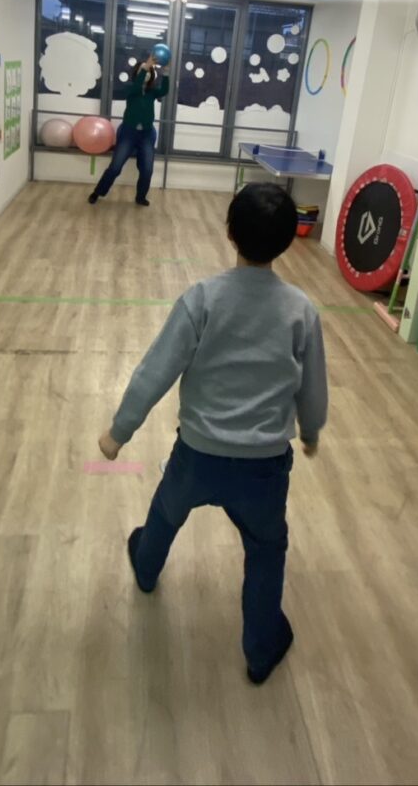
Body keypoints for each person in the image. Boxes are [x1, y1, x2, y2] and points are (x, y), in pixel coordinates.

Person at [98, 183, 329, 684]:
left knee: (165, 512)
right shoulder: (300, 311)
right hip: (264, 467)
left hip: (198, 454)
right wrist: (310, 431)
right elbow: (313, 387)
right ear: (290, 240)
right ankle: (261, 649)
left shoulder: (202, 299)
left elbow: (154, 372)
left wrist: (119, 432)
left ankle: (146, 567)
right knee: (266, 549)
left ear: (229, 231)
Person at [87, 55, 169, 207]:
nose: (146, 73)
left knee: (147, 170)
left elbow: (164, 90)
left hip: (147, 134)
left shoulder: (152, 92)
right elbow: (136, 88)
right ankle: (97, 192)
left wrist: (166, 72)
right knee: (115, 167)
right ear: (137, 73)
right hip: (128, 133)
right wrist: (145, 67)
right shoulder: (131, 88)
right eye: (143, 71)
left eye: (149, 71)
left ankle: (140, 197)